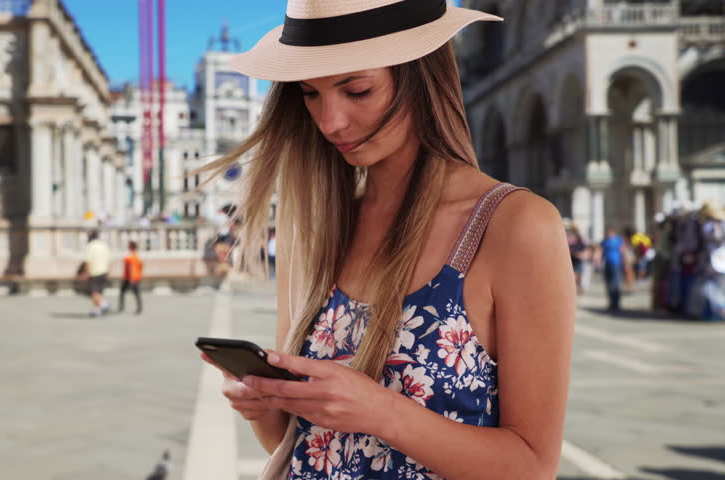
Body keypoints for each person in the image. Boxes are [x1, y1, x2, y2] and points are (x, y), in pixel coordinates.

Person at [195, 2, 576, 479]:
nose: (330, 121)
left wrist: (378, 410)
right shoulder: (315, 230)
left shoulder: (514, 226)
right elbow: (301, 444)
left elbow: (532, 467)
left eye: (357, 90)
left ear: (421, 74)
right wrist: (266, 404)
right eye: (310, 94)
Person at [595, 226, 627, 312]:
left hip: (616, 264)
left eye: (609, 232)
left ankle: (616, 303)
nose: (608, 234)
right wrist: (597, 262)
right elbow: (599, 252)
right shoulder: (604, 241)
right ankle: (611, 302)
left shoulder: (618, 240)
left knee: (616, 283)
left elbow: (623, 251)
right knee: (608, 284)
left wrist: (625, 264)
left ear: (612, 232)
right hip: (607, 265)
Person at [80, 229, 111, 317]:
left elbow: (87, 261)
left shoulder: (90, 246)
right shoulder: (104, 245)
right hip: (104, 271)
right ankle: (103, 304)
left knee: (94, 292)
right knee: (98, 292)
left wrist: (86, 273)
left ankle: (98, 308)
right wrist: (108, 271)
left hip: (95, 271)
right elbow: (108, 260)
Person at [119, 241, 143, 314]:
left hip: (130, 278)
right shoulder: (137, 256)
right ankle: (139, 307)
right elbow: (141, 266)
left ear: (131, 247)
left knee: (123, 292)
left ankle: (122, 307)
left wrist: (131, 278)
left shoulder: (130, 256)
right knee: (136, 293)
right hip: (136, 277)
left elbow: (131, 267)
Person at [567, 224, 587, 293]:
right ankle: (575, 289)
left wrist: (582, 254)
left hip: (579, 259)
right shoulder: (570, 237)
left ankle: (578, 288)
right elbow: (568, 248)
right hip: (573, 259)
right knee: (575, 275)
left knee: (579, 275)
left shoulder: (580, 238)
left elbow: (584, 247)